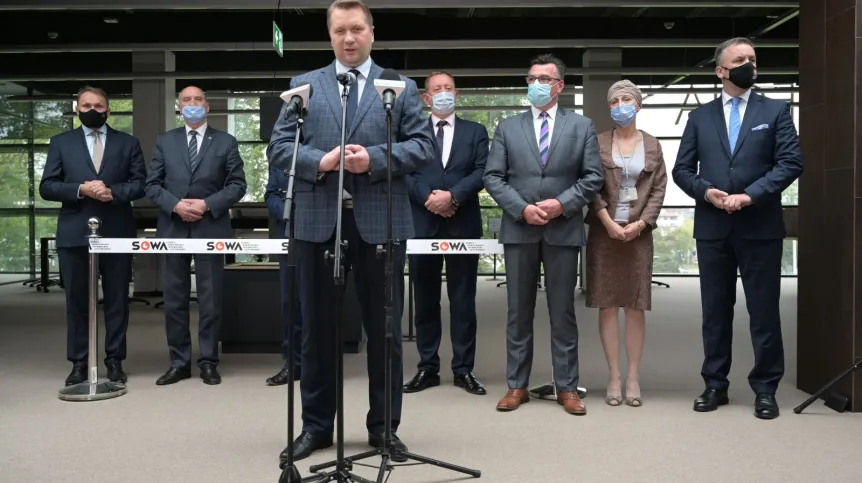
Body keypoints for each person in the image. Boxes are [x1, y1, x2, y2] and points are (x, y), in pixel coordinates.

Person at [266, 0, 435, 462]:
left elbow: (422, 147)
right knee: (316, 333)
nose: (349, 38)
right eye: (340, 30)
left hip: (380, 221)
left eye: (356, 29)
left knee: (384, 331)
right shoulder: (304, 86)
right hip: (318, 223)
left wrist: (374, 160)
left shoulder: (399, 87)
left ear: (372, 32)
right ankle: (316, 427)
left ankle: (383, 429)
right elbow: (278, 147)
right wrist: (318, 162)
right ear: (330, 35)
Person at [672, 37, 803, 419]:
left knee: (764, 311)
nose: (750, 64)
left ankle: (765, 388)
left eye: (753, 59)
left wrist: (750, 195)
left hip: (759, 225)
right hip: (712, 227)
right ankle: (715, 384)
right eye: (740, 59)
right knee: (715, 312)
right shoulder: (700, 117)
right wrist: (706, 192)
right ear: (720, 71)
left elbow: (791, 162)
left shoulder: (776, 110)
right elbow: (682, 169)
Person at [483, 53, 603, 416]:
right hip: (520, 228)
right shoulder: (508, 127)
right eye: (532, 78)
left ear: (560, 86)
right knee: (518, 311)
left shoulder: (582, 126)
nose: (537, 84)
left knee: (562, 311)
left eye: (545, 79)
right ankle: (516, 385)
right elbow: (493, 176)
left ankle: (567, 386)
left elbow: (593, 177)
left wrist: (559, 205)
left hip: (563, 228)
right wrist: (522, 208)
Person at [39, 86, 147, 387]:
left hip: (117, 230)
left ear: (109, 110)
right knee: (76, 301)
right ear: (77, 110)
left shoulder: (128, 143)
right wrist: (81, 189)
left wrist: (112, 192)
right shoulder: (61, 143)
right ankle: (79, 362)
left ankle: (115, 361)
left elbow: (141, 184)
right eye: (86, 105)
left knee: (116, 301)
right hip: (74, 232)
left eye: (99, 106)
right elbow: (47, 186)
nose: (92, 110)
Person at [145, 85, 247, 386]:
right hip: (172, 226)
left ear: (208, 106)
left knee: (210, 299)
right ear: (179, 107)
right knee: (174, 298)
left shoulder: (226, 142)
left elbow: (237, 185)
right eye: (186, 100)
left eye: (198, 99)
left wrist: (206, 204)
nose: (192, 104)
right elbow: (153, 185)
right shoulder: (165, 141)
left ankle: (208, 361)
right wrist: (175, 205)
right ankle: (178, 363)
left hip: (210, 226)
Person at [403, 71, 488, 396]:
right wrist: (430, 198)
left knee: (463, 300)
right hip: (422, 225)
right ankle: (428, 368)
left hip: (462, 223)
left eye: (448, 89)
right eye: (436, 89)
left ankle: (464, 369)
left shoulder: (475, 131)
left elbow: (482, 171)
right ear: (426, 98)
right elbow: (406, 171)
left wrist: (451, 197)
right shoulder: (412, 133)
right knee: (424, 300)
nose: (442, 93)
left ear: (457, 94)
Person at [585, 80, 667, 408]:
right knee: (607, 304)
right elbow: (589, 185)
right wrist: (605, 220)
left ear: (638, 105)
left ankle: (633, 376)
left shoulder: (653, 144)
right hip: (604, 233)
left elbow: (659, 187)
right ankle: (613, 375)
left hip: (639, 235)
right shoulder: (598, 142)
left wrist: (643, 222)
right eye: (615, 100)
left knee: (635, 305)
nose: (621, 105)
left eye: (627, 99)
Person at [264, 166, 303, 385]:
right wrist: (288, 214)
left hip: (322, 231)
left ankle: (321, 363)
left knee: (320, 302)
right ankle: (293, 363)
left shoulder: (325, 145)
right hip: (287, 232)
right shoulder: (282, 152)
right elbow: (271, 193)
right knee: (291, 301)